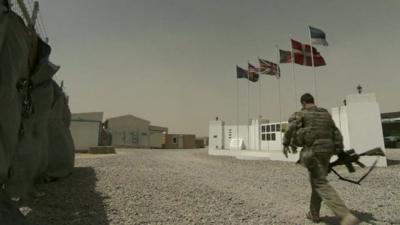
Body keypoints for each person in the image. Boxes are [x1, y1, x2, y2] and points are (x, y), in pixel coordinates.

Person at [283, 93, 360, 225]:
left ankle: (345, 215)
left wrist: (285, 143)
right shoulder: (325, 114)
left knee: (320, 183)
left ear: (303, 103)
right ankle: (314, 214)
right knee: (317, 181)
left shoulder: (301, 114)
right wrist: (339, 151)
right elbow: (336, 132)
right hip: (327, 151)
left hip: (313, 151)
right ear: (313, 101)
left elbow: (290, 128)